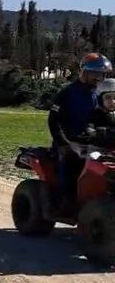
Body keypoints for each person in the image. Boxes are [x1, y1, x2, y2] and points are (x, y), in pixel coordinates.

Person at [48, 52, 113, 208]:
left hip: (95, 140)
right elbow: (53, 120)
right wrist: (63, 143)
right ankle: (64, 200)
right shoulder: (67, 94)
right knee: (72, 159)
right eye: (95, 73)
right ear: (84, 72)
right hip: (70, 141)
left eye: (102, 74)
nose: (99, 78)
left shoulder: (101, 93)